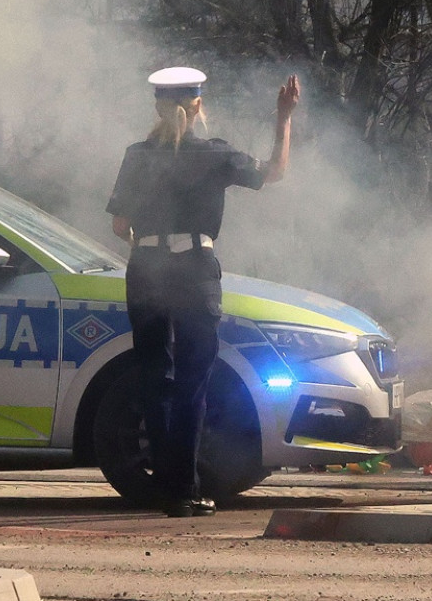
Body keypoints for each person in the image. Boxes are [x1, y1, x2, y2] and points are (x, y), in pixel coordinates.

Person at [106, 67, 300, 517]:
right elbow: (274, 172)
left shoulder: (137, 155)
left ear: (157, 106)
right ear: (198, 106)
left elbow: (119, 225)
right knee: (193, 381)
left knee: (155, 379)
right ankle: (186, 490)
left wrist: (151, 246)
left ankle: (163, 487)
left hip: (146, 268)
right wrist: (283, 117)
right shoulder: (215, 154)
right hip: (194, 270)